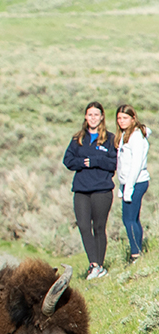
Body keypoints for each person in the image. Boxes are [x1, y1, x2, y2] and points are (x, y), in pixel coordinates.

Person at [62, 102, 118, 280]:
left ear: (102, 117)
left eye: (96, 114)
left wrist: (95, 161)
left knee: (99, 227)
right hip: (81, 190)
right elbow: (68, 160)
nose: (93, 118)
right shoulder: (77, 138)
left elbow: (114, 163)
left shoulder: (110, 139)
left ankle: (99, 266)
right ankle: (93, 264)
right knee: (84, 226)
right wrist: (82, 162)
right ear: (85, 117)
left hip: (102, 190)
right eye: (90, 114)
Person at [115, 103, 149, 264]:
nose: (121, 121)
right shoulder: (124, 135)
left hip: (136, 182)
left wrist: (128, 188)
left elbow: (135, 164)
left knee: (129, 219)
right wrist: (122, 186)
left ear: (133, 118)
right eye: (119, 118)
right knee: (132, 218)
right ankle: (137, 251)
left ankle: (136, 254)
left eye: (125, 118)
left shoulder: (136, 136)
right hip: (129, 183)